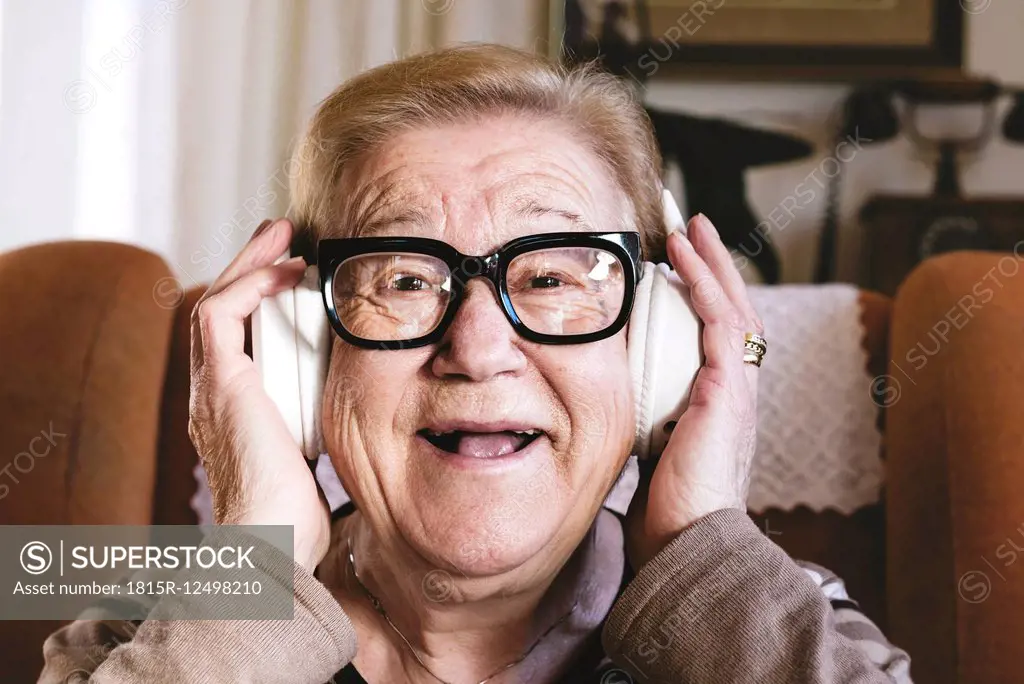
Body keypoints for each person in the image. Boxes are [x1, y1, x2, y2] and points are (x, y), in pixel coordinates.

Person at [39, 44, 910, 683]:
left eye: (551, 276)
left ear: (660, 345)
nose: (479, 350)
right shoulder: (145, 629)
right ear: (302, 351)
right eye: (408, 279)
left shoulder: (770, 622)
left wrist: (699, 551)